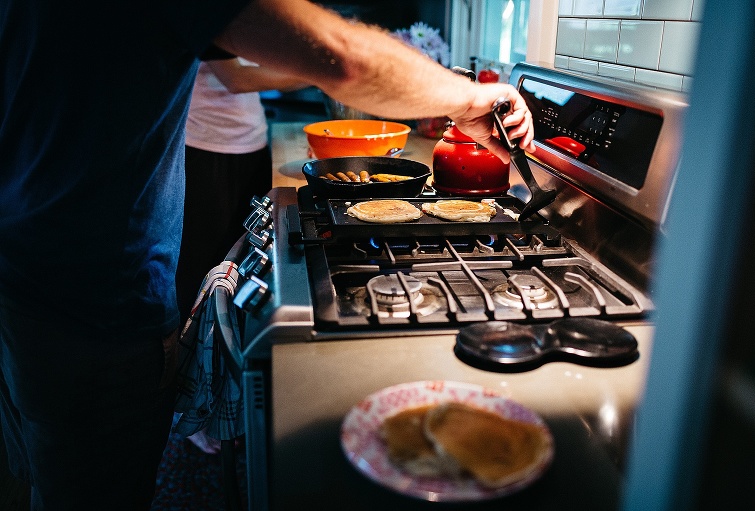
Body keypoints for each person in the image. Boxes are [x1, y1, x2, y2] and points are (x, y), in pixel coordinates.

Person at [0, 0, 534, 509]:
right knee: (94, 486)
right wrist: (472, 98)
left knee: (47, 467)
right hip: (94, 302)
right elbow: (344, 57)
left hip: (32, 268)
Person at [177, 57, 306, 324]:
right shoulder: (210, 15)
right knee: (206, 267)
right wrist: (327, 74)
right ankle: (193, 353)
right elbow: (236, 78)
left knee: (242, 264)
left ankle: (227, 343)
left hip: (252, 143)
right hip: (208, 148)